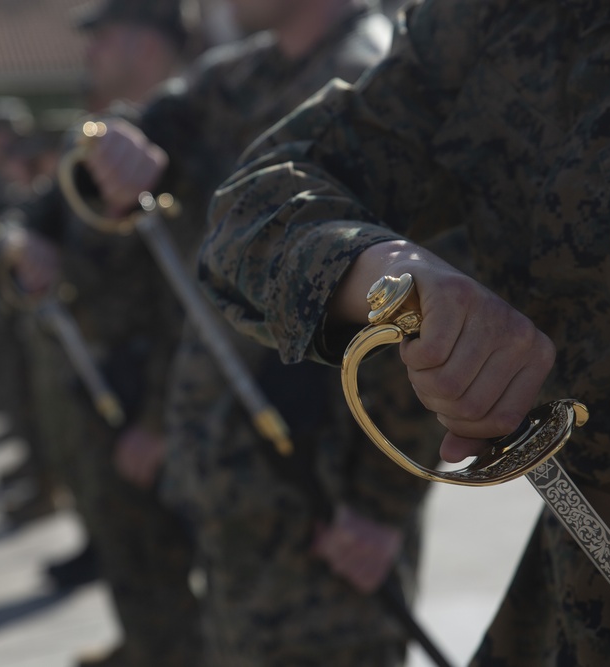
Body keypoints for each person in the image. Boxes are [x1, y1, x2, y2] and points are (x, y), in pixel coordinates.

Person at [201, 0, 610, 664]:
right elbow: (251, 208)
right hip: (607, 581)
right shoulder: (500, 22)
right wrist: (383, 270)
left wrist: (377, 503)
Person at [77, 0, 447, 664]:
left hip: (324, 498)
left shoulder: (374, 73)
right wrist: (113, 143)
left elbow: (423, 301)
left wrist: (380, 503)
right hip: (233, 475)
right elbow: (142, 123)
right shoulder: (236, 76)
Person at [1, 1, 203, 665]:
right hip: (103, 384)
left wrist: (159, 417)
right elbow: (30, 220)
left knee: (206, 576)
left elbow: (201, 301)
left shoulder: (206, 128)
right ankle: (144, 645)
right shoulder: (91, 140)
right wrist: (25, 244)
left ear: (147, 46)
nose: (88, 54)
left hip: (175, 400)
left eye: (103, 39)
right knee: (132, 557)